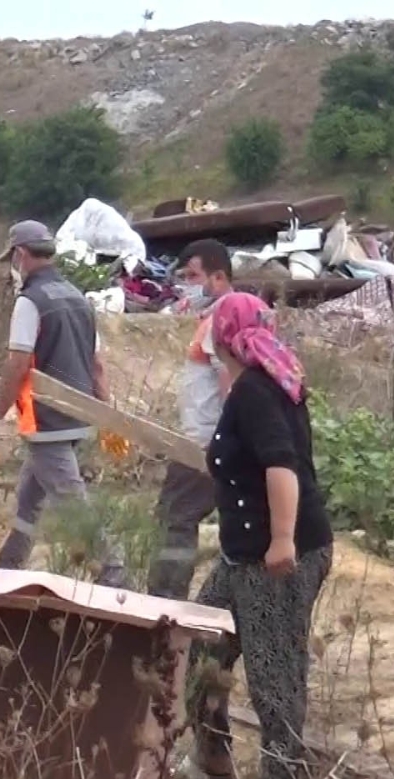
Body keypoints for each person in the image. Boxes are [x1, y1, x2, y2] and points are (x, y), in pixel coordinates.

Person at [186, 292, 334, 779]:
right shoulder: (259, 381)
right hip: (240, 557)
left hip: (276, 556)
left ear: (226, 335)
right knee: (201, 649)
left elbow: (281, 466)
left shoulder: (256, 389)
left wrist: (282, 540)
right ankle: (213, 762)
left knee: (275, 673)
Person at [0, 220, 123, 586]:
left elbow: (17, 364)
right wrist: (107, 415)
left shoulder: (30, 301)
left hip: (45, 421)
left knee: (73, 503)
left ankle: (115, 576)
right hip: (76, 417)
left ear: (20, 254)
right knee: (30, 498)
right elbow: (97, 365)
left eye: (12, 260)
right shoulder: (77, 297)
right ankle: (8, 567)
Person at [148, 239, 236, 600]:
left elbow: (230, 384)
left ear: (219, 277)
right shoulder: (229, 316)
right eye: (183, 277)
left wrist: (226, 440)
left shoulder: (221, 321)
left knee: (175, 518)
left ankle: (167, 600)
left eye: (194, 276)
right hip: (210, 439)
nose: (187, 285)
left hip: (203, 443)